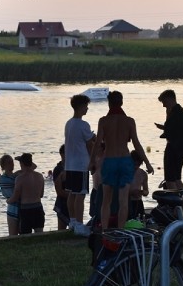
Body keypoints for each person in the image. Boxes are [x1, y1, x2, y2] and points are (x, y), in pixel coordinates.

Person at [89, 91, 154, 230]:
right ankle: (120, 230)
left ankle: (105, 231)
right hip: (125, 161)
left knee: (106, 200)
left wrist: (92, 162)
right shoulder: (129, 121)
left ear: (109, 103)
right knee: (123, 201)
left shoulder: (104, 121)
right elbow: (136, 143)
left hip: (110, 160)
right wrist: (147, 162)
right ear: (122, 102)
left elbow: (97, 142)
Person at [64, 94, 96, 233]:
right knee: (80, 195)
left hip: (70, 164)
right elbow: (90, 143)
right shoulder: (84, 125)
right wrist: (93, 161)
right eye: (86, 106)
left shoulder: (69, 123)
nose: (87, 109)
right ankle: (79, 224)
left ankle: (72, 221)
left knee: (72, 193)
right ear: (80, 107)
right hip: (81, 164)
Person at [154, 89, 183, 190]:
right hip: (180, 147)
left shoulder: (177, 113)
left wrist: (165, 126)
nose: (163, 105)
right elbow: (175, 129)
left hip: (174, 147)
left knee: (170, 179)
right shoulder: (179, 112)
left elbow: (174, 130)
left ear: (170, 99)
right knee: (176, 178)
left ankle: (176, 202)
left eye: (164, 102)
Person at [9, 153, 46, 234]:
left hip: (26, 210)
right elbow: (41, 195)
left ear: (21, 164)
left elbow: (15, 196)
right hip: (38, 208)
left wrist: (8, 201)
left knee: (25, 236)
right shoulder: (40, 176)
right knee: (39, 234)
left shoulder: (20, 178)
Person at [0, 154, 20, 236]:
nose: (12, 164)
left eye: (12, 162)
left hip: (21, 206)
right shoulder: (3, 178)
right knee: (13, 235)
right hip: (12, 207)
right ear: (4, 166)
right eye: (9, 162)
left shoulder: (17, 175)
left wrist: (20, 159)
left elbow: (33, 167)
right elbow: (12, 194)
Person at [128, 150, 150, 222]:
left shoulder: (143, 174)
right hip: (127, 201)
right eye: (133, 164)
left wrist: (142, 192)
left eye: (138, 165)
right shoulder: (125, 172)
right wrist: (131, 193)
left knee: (140, 221)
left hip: (138, 201)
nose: (135, 167)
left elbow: (146, 192)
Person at [52, 144, 70, 230]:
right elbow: (58, 190)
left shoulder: (73, 167)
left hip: (73, 200)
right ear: (62, 154)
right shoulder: (58, 169)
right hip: (62, 202)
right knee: (61, 229)